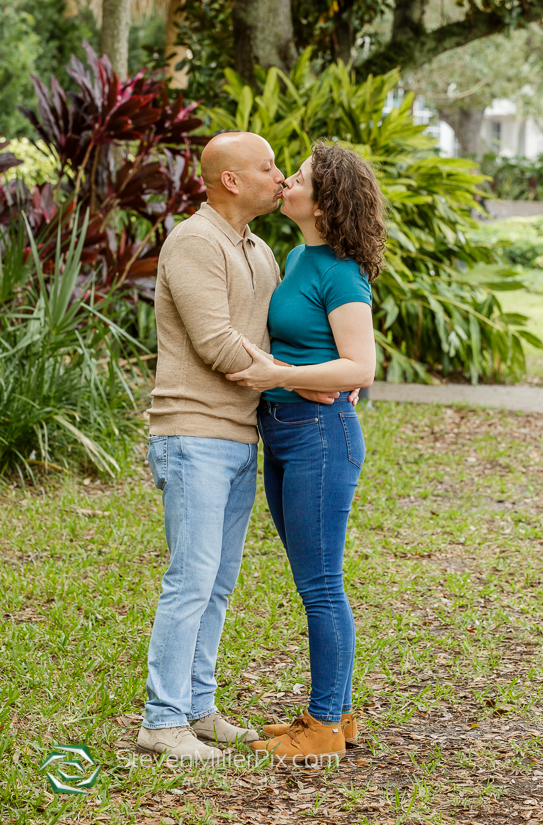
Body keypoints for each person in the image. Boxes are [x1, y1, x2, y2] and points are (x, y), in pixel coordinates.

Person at [137, 132, 353, 763]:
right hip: (192, 433)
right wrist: (295, 379)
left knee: (219, 583)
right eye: (268, 167)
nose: (280, 176)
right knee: (191, 579)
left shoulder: (260, 251)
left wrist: (325, 374)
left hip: (240, 434)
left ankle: (198, 709)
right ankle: (162, 719)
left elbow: (277, 339)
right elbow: (216, 342)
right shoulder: (194, 242)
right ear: (232, 180)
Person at [227, 142, 386, 765]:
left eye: (298, 177)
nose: (286, 180)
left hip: (323, 436)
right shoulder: (296, 255)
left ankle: (322, 728)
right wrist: (294, 379)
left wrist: (284, 377)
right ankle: (336, 715)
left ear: (324, 203)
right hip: (287, 433)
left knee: (321, 587)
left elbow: (361, 365)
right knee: (313, 583)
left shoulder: (340, 271)